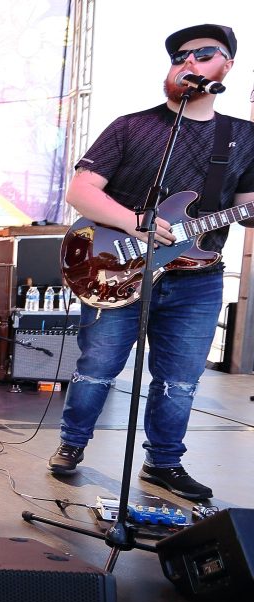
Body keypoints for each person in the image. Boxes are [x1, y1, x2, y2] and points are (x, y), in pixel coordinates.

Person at [48, 24, 254, 500]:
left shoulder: (242, 137)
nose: (188, 61)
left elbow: (246, 208)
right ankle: (72, 444)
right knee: (97, 366)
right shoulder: (132, 126)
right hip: (117, 265)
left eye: (203, 53)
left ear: (226, 66)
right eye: (180, 55)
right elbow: (80, 191)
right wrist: (133, 222)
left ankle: (163, 462)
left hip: (198, 278)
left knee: (179, 380)